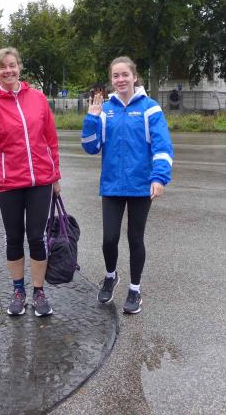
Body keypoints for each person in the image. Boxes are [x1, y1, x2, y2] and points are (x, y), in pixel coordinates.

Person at [0, 47, 61, 317]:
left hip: (40, 180)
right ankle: (18, 291)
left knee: (37, 237)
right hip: (9, 182)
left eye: (12, 65)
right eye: (2, 67)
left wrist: (56, 177)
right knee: (14, 238)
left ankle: (38, 292)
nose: (8, 70)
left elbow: (50, 139)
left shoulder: (38, 98)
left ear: (19, 67)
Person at [81, 56, 174, 315]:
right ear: (112, 80)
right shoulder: (105, 110)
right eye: (116, 76)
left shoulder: (150, 108)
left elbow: (162, 147)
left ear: (134, 76)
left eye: (125, 74)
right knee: (109, 239)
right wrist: (92, 118)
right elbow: (90, 147)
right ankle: (111, 276)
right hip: (111, 185)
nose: (120, 79)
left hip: (140, 186)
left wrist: (159, 178)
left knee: (135, 238)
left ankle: (135, 289)